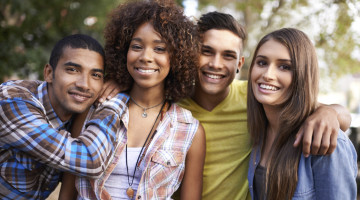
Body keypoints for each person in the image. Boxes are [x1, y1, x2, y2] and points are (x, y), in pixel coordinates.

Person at [174, 12, 352, 200]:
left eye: (228, 55)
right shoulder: (172, 109)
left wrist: (329, 112)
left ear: (239, 64)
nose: (216, 64)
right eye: (207, 51)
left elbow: (325, 111)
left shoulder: (255, 97)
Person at [73, 1, 205, 199]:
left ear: (176, 58)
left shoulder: (189, 131)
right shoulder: (94, 110)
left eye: (160, 49)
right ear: (123, 51)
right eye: (136, 46)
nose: (146, 56)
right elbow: (68, 188)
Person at [0, 34, 129, 199]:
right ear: (48, 73)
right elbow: (91, 159)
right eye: (73, 70)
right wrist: (115, 100)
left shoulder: (78, 115)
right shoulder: (12, 102)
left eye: (96, 75)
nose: (84, 84)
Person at [247, 28, 357, 199]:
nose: (268, 75)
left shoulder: (324, 139)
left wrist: (331, 112)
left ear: (303, 75)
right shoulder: (259, 129)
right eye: (262, 63)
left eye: (284, 67)